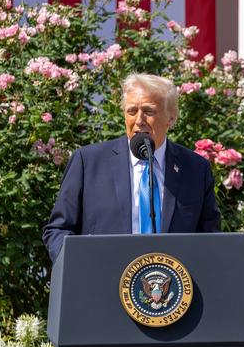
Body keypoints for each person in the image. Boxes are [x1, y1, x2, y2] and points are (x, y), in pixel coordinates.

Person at [42, 73, 221, 262]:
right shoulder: (88, 162)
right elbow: (58, 230)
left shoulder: (195, 169)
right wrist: (78, 266)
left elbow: (210, 238)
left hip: (173, 287)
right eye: (132, 111)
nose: (139, 120)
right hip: (102, 284)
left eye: (149, 111)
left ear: (171, 118)